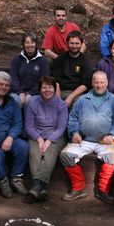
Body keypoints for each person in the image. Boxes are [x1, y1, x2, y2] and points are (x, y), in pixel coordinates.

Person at [59, 71, 114, 204]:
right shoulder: (82, 99)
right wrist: (74, 132)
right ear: (92, 83)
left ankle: (103, 190)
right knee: (65, 155)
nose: (99, 85)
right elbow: (73, 118)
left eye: (102, 82)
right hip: (84, 139)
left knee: (113, 156)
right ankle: (79, 188)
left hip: (107, 140)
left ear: (107, 83)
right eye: (96, 82)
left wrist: (112, 135)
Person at [23, 76, 68, 204]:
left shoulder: (61, 105)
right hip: (36, 135)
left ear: (54, 89)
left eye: (50, 87)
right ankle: (41, 189)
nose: (47, 90)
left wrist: (48, 140)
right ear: (40, 89)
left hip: (56, 136)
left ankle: (36, 187)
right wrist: (39, 139)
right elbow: (29, 126)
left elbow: (61, 128)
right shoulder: (33, 103)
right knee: (34, 153)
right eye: (44, 87)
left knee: (50, 153)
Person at [50, 30, 93, 108]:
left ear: (81, 44)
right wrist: (58, 100)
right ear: (67, 43)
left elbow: (86, 84)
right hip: (61, 91)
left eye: (77, 43)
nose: (74, 46)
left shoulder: (85, 61)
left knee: (80, 103)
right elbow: (55, 81)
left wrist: (71, 97)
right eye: (72, 43)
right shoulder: (61, 59)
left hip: (78, 93)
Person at [10, 31, 49, 106]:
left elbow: (42, 81)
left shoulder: (42, 61)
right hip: (18, 92)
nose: (30, 45)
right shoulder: (17, 59)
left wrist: (31, 94)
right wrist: (20, 92)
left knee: (30, 102)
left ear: (36, 44)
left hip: (35, 93)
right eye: (27, 42)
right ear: (23, 44)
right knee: (15, 101)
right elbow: (13, 78)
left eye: (32, 42)